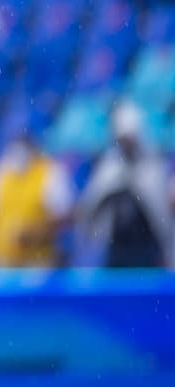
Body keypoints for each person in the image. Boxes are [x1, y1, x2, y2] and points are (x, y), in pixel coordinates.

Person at [76, 102, 172, 267]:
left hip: (147, 246)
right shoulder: (109, 167)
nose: (126, 145)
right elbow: (91, 206)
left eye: (129, 139)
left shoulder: (151, 167)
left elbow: (160, 211)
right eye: (122, 140)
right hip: (116, 246)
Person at [0, 135, 72, 267]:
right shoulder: (1, 173)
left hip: (38, 261)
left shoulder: (50, 172)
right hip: (5, 261)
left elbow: (66, 216)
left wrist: (35, 233)